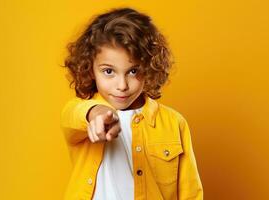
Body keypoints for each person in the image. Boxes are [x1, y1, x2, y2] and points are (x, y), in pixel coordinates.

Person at [60, 7, 203, 200]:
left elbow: (190, 193)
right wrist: (96, 113)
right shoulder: (82, 113)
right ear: (90, 68)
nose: (122, 86)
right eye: (109, 71)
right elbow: (74, 115)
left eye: (133, 71)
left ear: (150, 67)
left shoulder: (174, 123)